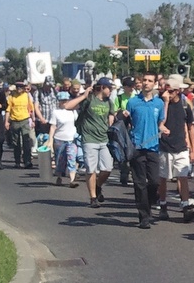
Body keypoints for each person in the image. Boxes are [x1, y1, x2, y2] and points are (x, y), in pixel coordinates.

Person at [63, 77, 115, 208]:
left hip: (104, 139)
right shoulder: (89, 99)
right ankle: (93, 198)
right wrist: (84, 95)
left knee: (107, 168)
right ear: (102, 87)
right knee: (91, 169)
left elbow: (111, 118)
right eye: (109, 88)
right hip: (89, 139)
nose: (111, 90)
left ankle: (98, 186)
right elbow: (67, 106)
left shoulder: (109, 102)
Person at [126, 73, 165, 228]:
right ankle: (144, 216)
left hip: (153, 147)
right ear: (140, 83)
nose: (147, 83)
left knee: (154, 182)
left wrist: (163, 128)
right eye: (144, 81)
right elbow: (126, 124)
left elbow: (160, 122)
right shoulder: (133, 102)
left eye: (150, 81)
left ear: (154, 84)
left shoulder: (159, 103)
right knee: (139, 183)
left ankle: (150, 202)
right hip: (137, 147)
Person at [157, 75, 194, 222]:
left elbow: (190, 126)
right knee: (163, 177)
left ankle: (185, 205)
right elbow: (161, 121)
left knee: (183, 175)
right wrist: (166, 102)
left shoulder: (185, 104)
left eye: (172, 90)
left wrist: (193, 148)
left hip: (181, 146)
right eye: (167, 90)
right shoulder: (161, 103)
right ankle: (163, 204)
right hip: (164, 146)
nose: (168, 93)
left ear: (178, 91)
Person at [50, 90, 80, 189]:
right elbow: (53, 127)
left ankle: (72, 180)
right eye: (62, 100)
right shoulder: (55, 112)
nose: (64, 102)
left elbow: (77, 121)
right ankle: (59, 176)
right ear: (59, 101)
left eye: (66, 100)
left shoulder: (73, 111)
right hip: (59, 139)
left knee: (72, 159)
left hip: (71, 139)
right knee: (60, 160)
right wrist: (50, 140)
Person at [6, 82, 36, 169]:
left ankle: (27, 161)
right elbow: (8, 109)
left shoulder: (26, 96)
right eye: (18, 87)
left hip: (25, 120)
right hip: (14, 120)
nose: (19, 88)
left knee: (26, 141)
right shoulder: (12, 96)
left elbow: (31, 108)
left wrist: (33, 119)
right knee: (16, 142)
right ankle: (17, 161)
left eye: (21, 87)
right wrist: (6, 122)